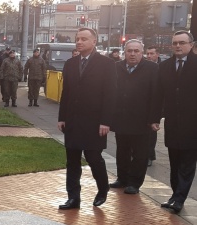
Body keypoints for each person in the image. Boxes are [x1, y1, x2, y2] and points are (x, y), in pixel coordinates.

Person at [58, 27, 117, 209]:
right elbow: (66, 92)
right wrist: (62, 117)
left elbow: (110, 94)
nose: (79, 42)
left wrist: (106, 121)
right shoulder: (70, 63)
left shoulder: (106, 64)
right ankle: (73, 197)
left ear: (94, 41)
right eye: (77, 38)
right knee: (72, 160)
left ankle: (102, 188)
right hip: (73, 121)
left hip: (95, 122)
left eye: (84, 39)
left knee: (94, 158)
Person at [151, 30, 197, 213]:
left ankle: (179, 198)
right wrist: (154, 118)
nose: (178, 46)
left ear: (191, 45)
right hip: (173, 124)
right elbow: (158, 95)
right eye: (175, 43)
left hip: (193, 125)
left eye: (182, 43)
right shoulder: (165, 66)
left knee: (187, 163)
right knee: (174, 161)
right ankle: (175, 194)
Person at [110, 39, 158, 194]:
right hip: (121, 118)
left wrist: (154, 119)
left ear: (142, 53)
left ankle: (134, 183)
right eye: (129, 51)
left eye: (136, 51)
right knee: (122, 151)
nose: (132, 54)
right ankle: (122, 178)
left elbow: (157, 95)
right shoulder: (116, 67)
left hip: (142, 121)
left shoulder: (152, 68)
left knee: (140, 154)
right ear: (124, 52)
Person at [145, 46, 161, 166]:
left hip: (155, 104)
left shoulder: (162, 67)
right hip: (143, 104)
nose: (149, 56)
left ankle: (150, 155)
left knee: (151, 131)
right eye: (147, 54)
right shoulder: (144, 66)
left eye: (152, 54)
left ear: (157, 54)